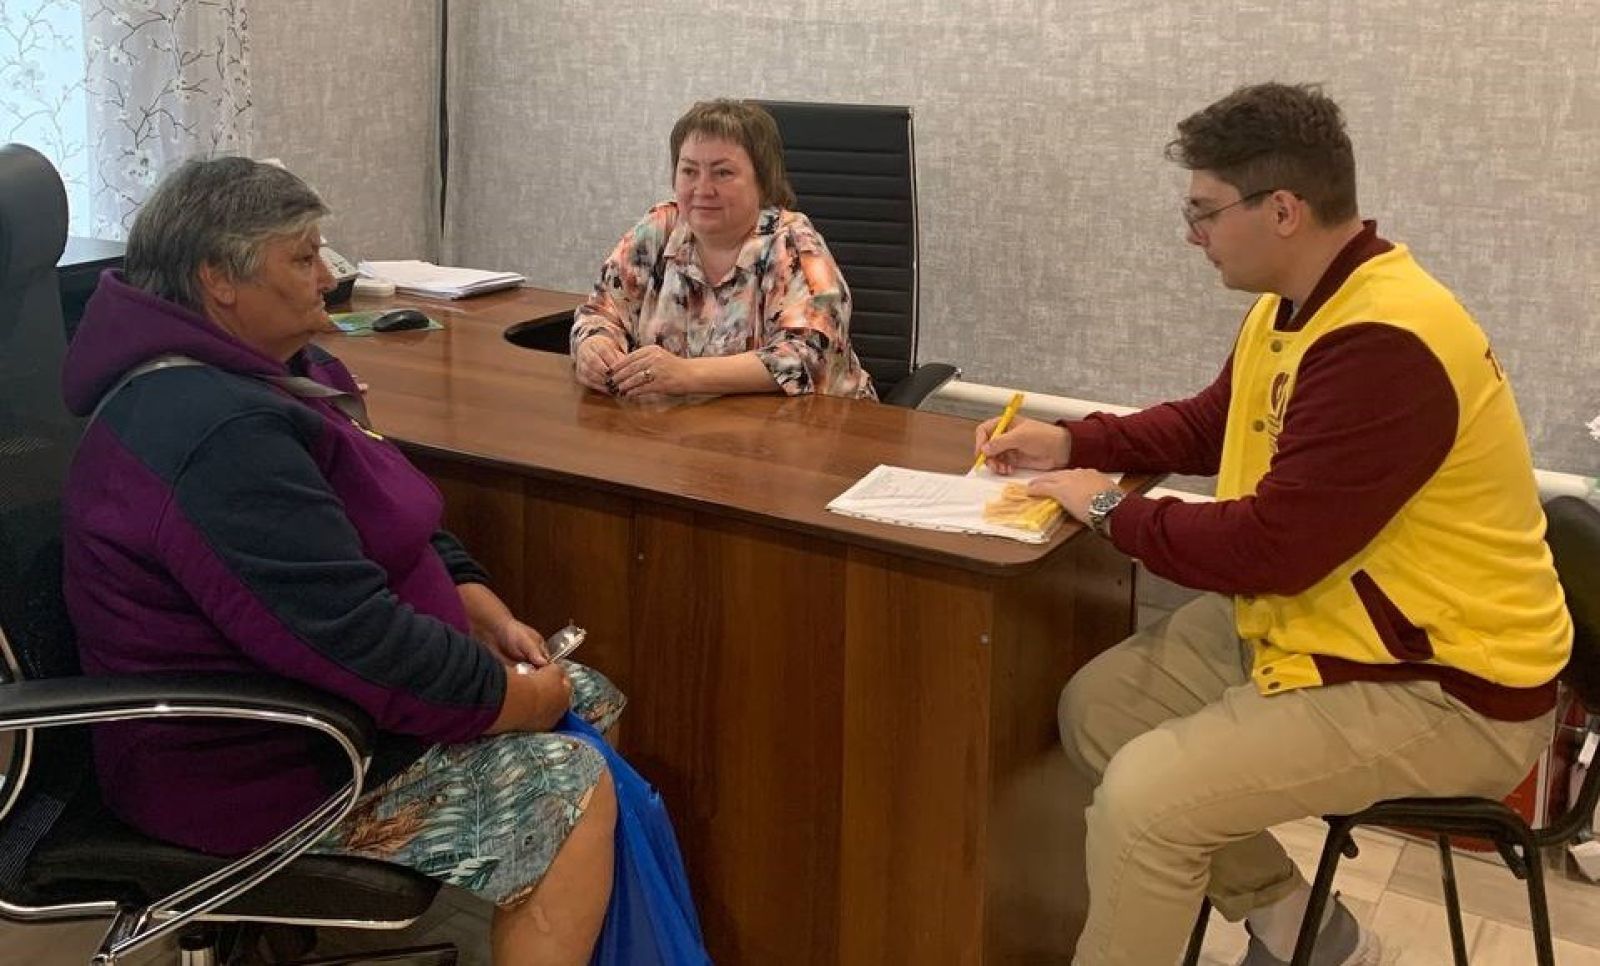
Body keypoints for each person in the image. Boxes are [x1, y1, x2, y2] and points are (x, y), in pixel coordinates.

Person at [976, 83, 1571, 966]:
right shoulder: (1294, 304)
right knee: (1100, 711)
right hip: (1335, 626)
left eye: (1204, 211)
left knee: (1147, 802)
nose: (1194, 235)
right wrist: (1070, 440)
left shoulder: (1386, 342)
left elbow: (1270, 550)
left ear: (1283, 210)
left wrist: (1106, 505)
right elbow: (1212, 424)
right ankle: (1305, 929)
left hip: (1443, 684)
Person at [61, 157, 629, 966]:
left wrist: (476, 601)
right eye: (302, 257)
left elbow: (390, 508)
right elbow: (355, 642)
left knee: (584, 695)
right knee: (567, 787)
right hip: (252, 769)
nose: (328, 276)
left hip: (331, 716)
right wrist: (506, 697)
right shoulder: (212, 431)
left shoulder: (286, 371)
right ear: (219, 279)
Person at [571, 98, 876, 400]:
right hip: (680, 423)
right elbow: (600, 311)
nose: (703, 189)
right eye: (689, 171)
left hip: (805, 423)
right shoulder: (659, 229)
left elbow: (809, 356)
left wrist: (687, 374)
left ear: (762, 180)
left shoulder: (794, 246)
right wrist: (594, 346)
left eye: (723, 173)